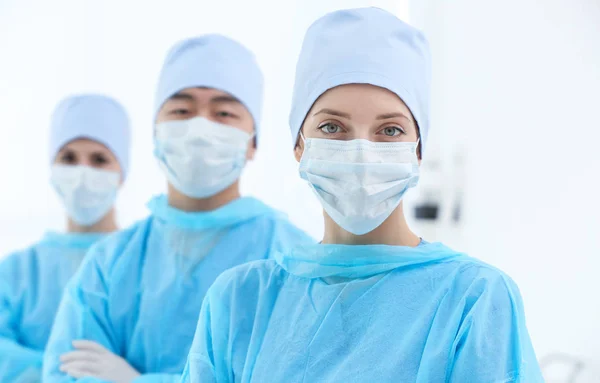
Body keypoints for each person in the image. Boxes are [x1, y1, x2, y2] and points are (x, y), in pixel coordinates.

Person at [180, 7, 545, 383]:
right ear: (299, 147)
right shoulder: (241, 301)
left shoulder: (473, 300)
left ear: (417, 151)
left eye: (389, 131)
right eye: (332, 126)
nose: (359, 151)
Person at [42, 34, 314, 383]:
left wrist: (138, 380)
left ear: (253, 142)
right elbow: (66, 374)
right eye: (182, 110)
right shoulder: (109, 265)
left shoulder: (291, 259)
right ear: (156, 133)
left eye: (224, 112)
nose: (200, 127)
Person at [0, 94, 131, 382]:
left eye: (99, 159)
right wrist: (65, 371)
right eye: (69, 158)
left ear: (122, 171)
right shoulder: (16, 272)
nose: (82, 172)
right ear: (52, 167)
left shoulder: (143, 265)